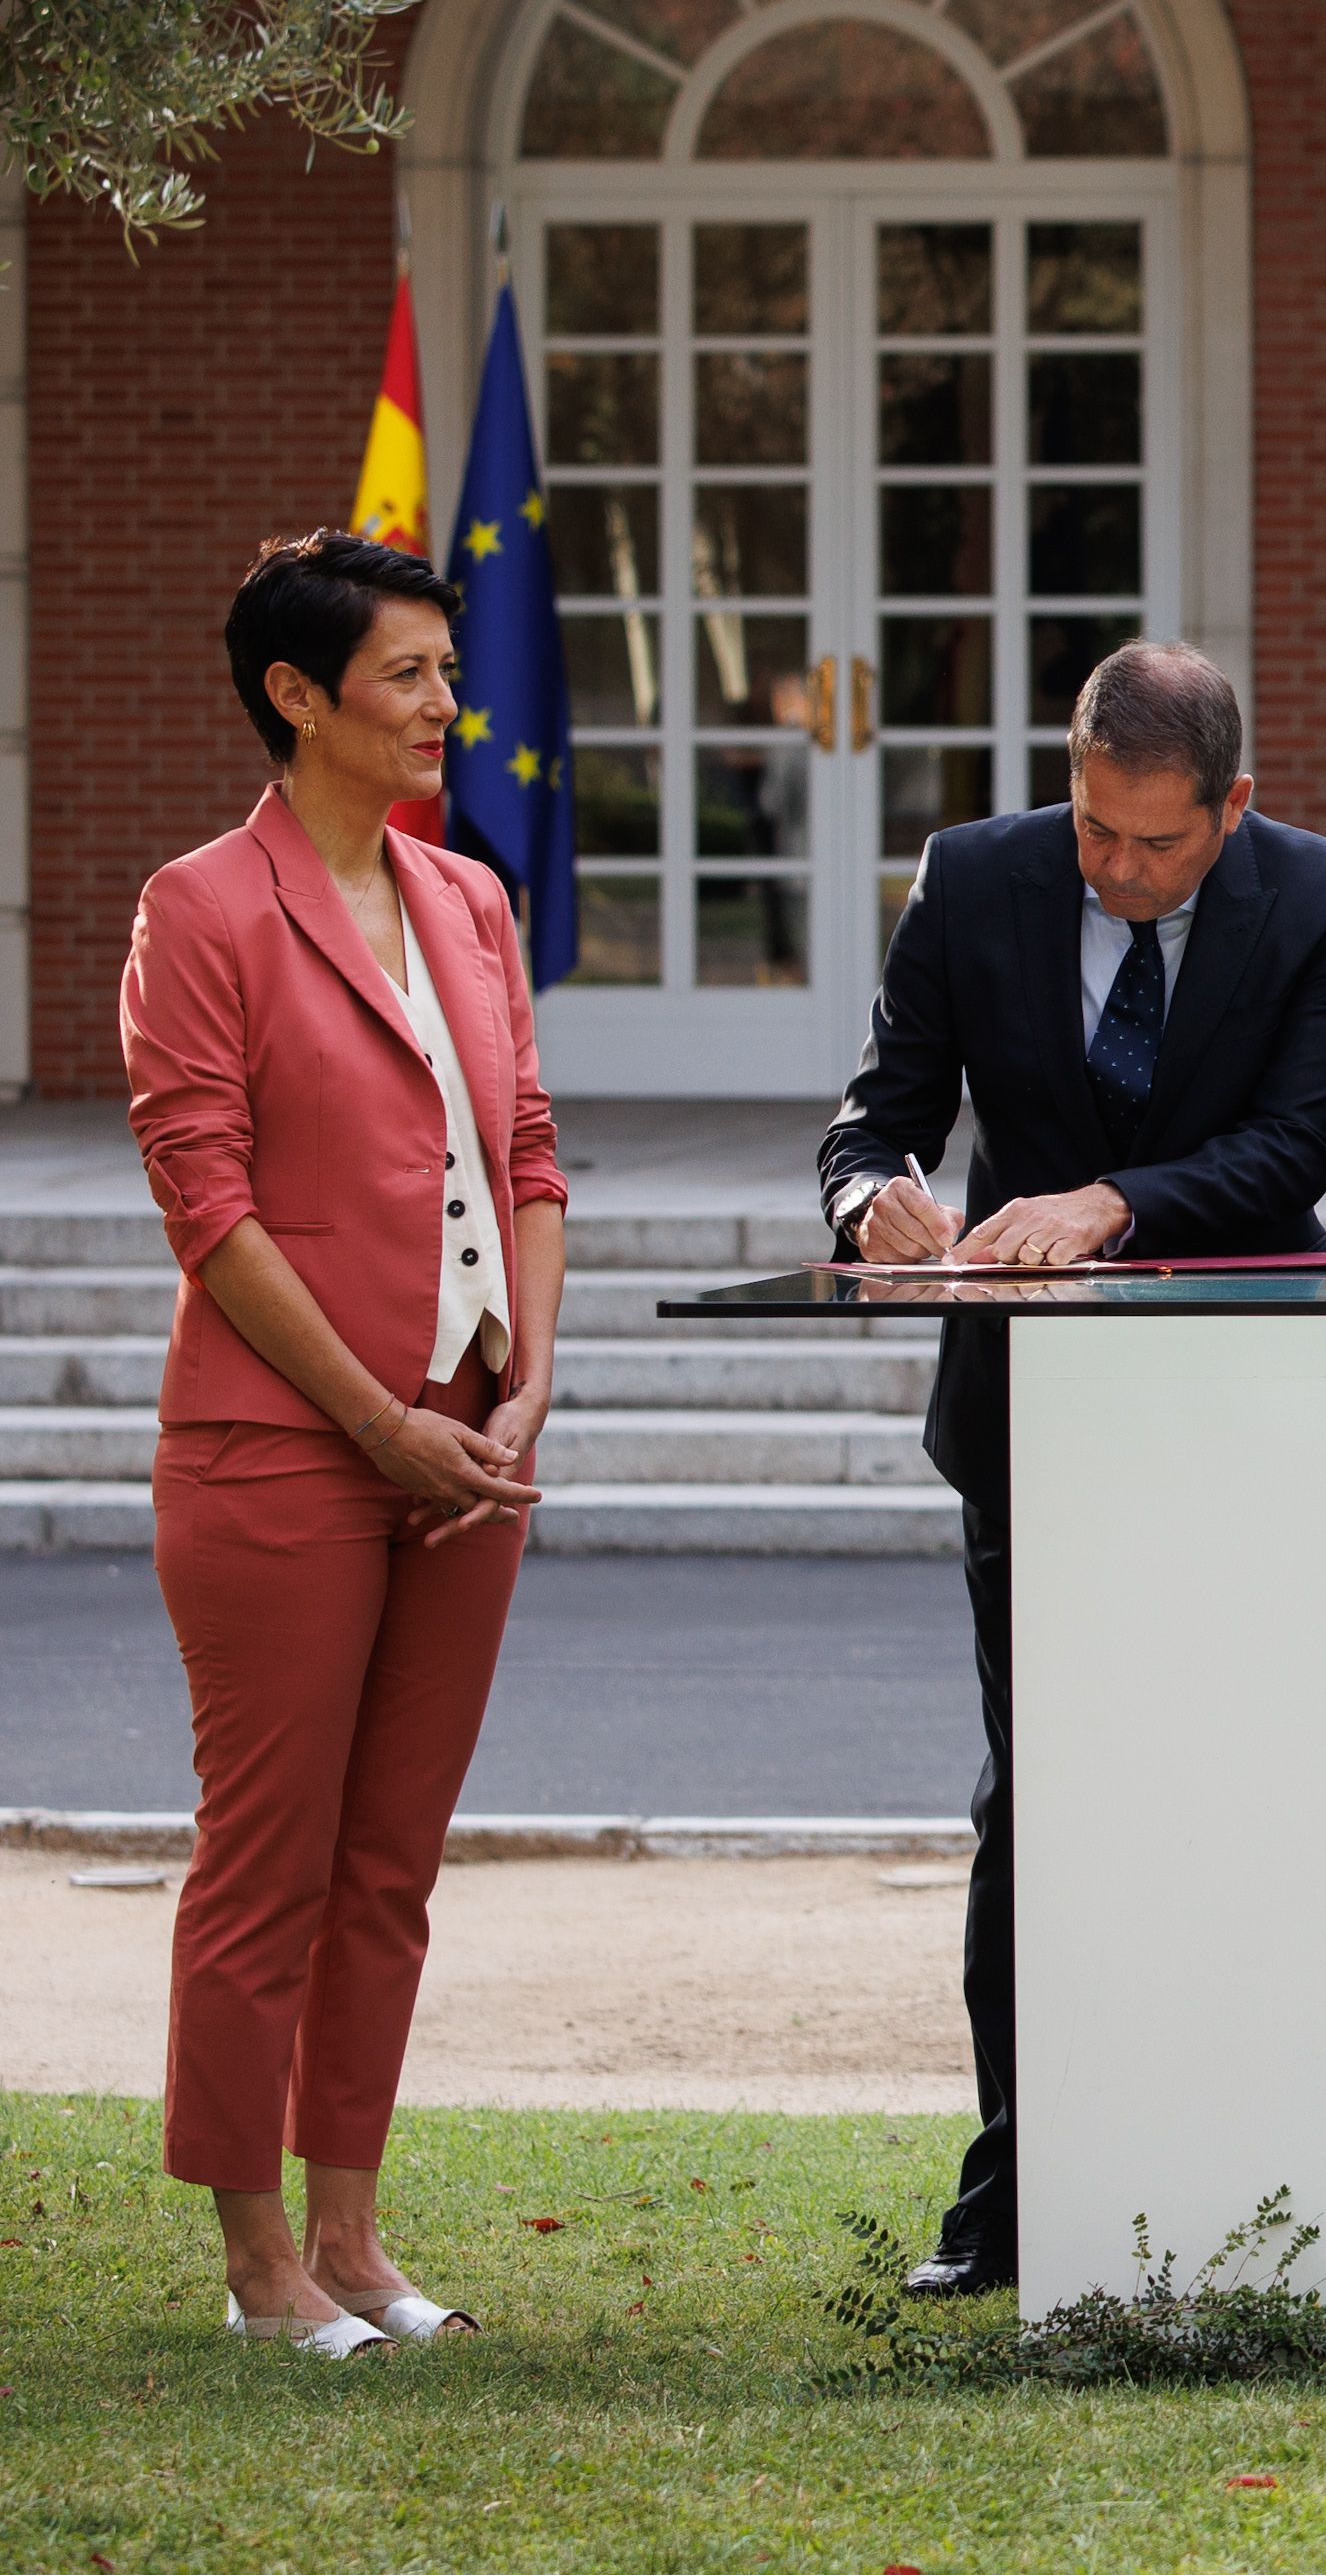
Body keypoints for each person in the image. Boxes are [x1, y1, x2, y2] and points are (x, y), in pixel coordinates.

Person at [816, 640, 1326, 2296]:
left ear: (1235, 806)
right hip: (1030, 1415)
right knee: (1034, 1797)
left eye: (1160, 843)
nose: (1122, 872)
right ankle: (1017, 2175)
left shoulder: (1325, 895)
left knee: (1244, 1789)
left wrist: (1107, 1201)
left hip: (1255, 1414)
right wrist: (875, 1204)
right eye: (1095, 832)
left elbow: (1297, 1148)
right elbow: (876, 1115)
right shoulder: (975, 879)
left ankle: (1259, 2156)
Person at [121, 530, 569, 2357]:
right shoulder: (200, 907)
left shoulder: (468, 899)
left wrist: (523, 1380)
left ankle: (358, 2240)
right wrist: (378, 1421)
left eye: (448, 675)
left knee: (392, 1861)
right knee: (271, 1855)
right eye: (409, 678)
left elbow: (527, 1154)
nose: (447, 707)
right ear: (298, 697)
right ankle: (255, 2265)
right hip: (284, 1451)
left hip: (466, 1444)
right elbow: (207, 1212)